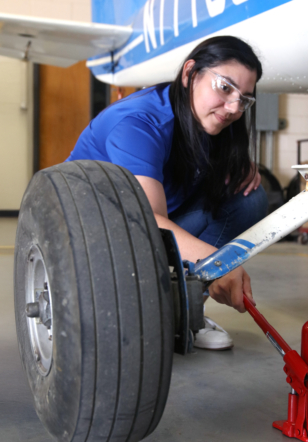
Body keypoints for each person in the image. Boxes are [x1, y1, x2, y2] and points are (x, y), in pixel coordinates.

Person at [67, 36, 268, 350]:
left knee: (248, 197)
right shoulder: (140, 123)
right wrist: (220, 263)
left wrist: (237, 166)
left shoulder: (206, 119)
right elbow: (150, 220)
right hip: (93, 240)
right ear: (190, 73)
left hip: (140, 221)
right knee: (198, 220)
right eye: (225, 87)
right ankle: (153, 312)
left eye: (244, 99)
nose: (233, 108)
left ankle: (185, 311)